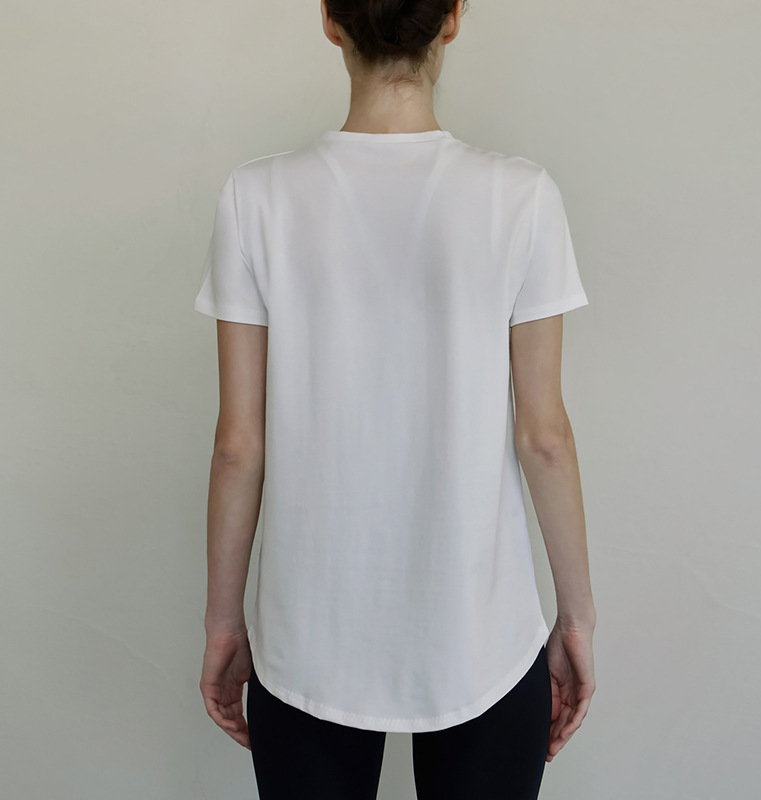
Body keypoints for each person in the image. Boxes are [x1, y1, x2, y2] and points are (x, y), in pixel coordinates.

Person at [195, 0, 596, 797]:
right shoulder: (521, 196)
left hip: (306, 641)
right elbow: (543, 436)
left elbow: (240, 443)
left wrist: (223, 621)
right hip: (482, 638)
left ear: (328, 19)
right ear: (452, 18)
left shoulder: (256, 197)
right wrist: (577, 618)